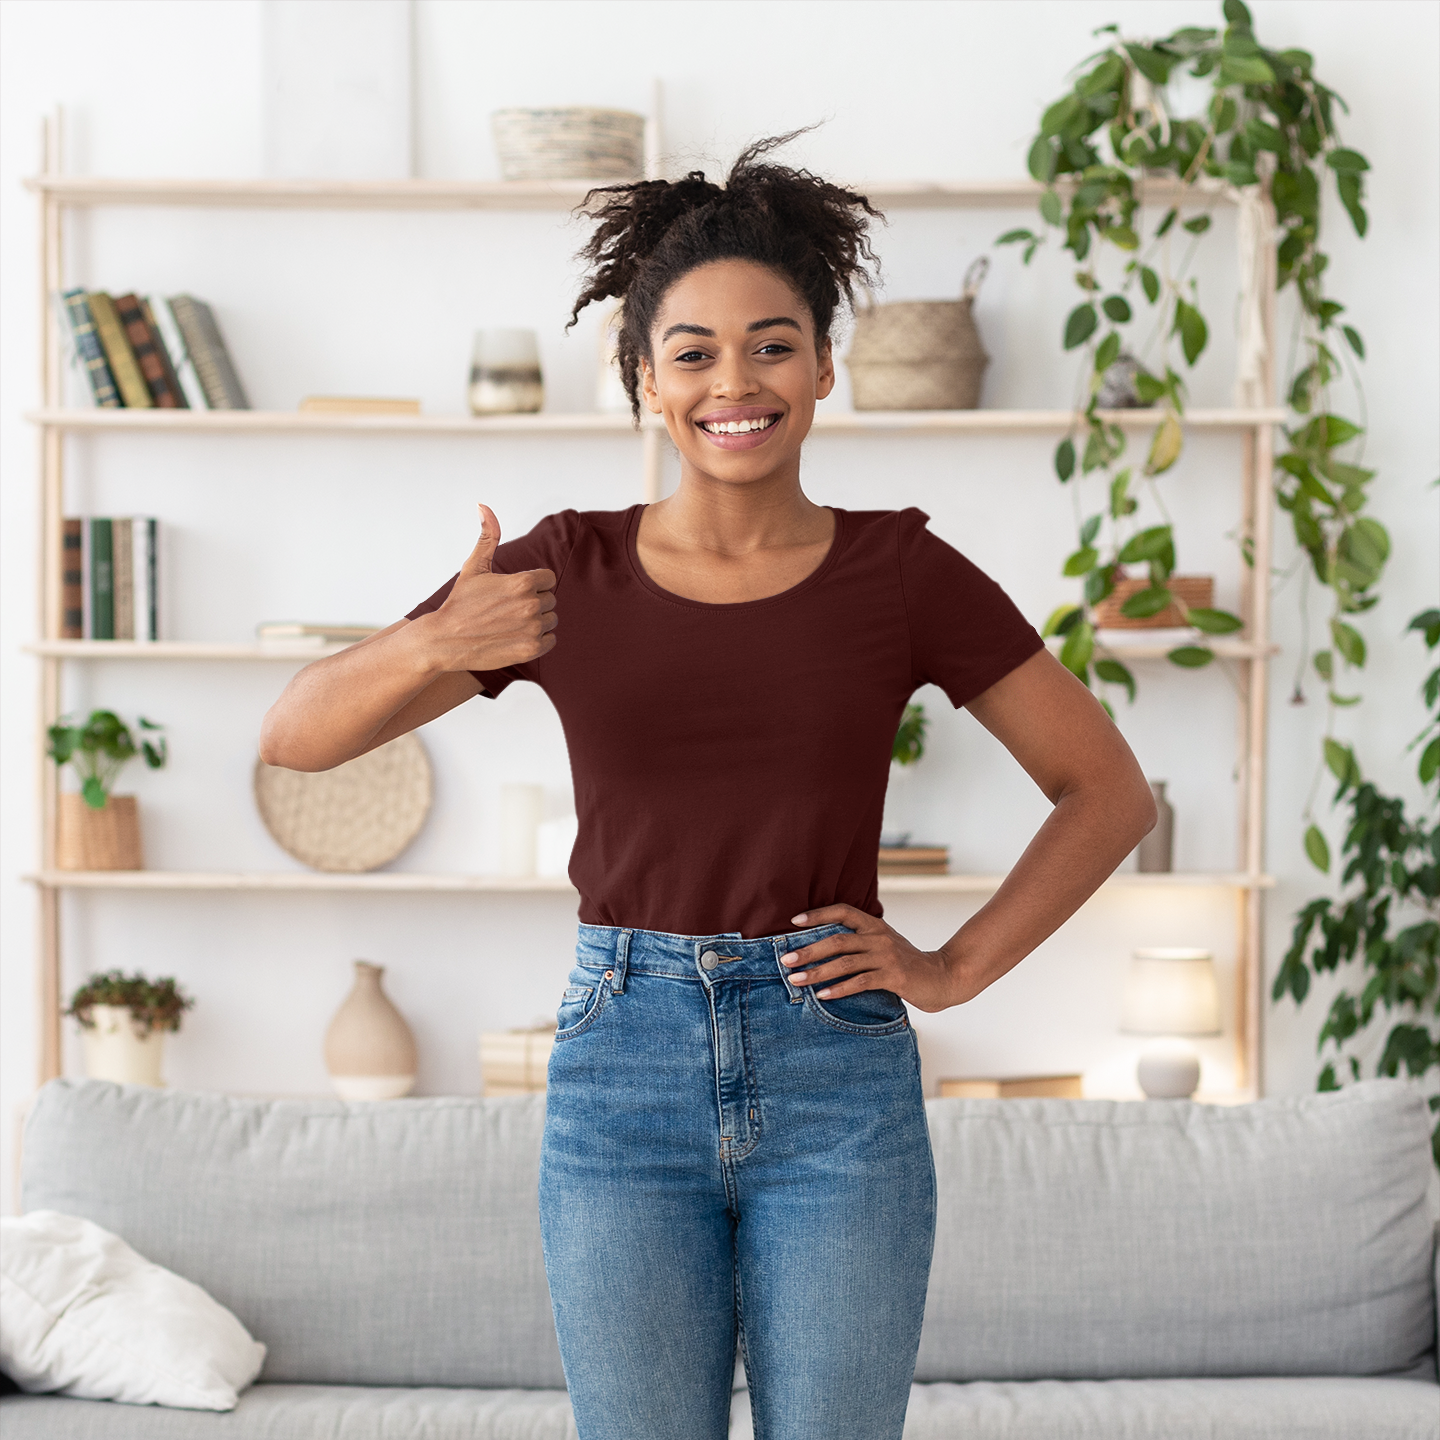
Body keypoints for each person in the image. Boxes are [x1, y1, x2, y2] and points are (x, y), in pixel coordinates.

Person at [259, 135, 1157, 1440]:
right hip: (622, 1068)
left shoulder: (901, 574)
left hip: (834, 1075)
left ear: (825, 364)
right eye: (692, 353)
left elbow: (1106, 790)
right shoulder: (564, 570)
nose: (735, 381)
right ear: (641, 380)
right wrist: (434, 642)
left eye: (774, 343)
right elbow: (294, 738)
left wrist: (953, 970)